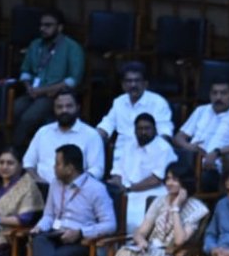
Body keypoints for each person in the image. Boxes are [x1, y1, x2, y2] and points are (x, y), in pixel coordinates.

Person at [107, 163, 209, 256]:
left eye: (174, 179)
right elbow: (141, 231)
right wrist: (141, 240)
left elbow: (180, 241)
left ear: (185, 182)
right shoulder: (159, 201)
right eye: (167, 179)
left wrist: (176, 208)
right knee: (124, 253)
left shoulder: (198, 209)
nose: (169, 183)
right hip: (150, 251)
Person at [28, 144, 115, 256]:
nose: (54, 168)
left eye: (57, 164)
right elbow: (49, 216)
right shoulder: (55, 184)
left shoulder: (96, 189)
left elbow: (110, 225)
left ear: (70, 168)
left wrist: (80, 232)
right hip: (56, 235)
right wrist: (39, 227)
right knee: (39, 240)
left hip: (82, 242)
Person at [12, 9, 85, 149]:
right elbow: (25, 71)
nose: (42, 29)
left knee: (29, 117)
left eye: (48, 25)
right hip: (32, 92)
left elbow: (73, 80)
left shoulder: (72, 47)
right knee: (12, 110)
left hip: (55, 95)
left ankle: (15, 151)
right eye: (41, 25)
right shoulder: (35, 44)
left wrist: (43, 91)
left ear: (60, 27)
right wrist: (28, 87)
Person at [173, 79, 229, 192]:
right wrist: (189, 147)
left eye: (223, 93)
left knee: (199, 178)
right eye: (214, 93)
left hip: (213, 168)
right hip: (189, 162)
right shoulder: (201, 110)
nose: (218, 97)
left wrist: (217, 152)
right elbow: (178, 137)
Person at [97, 61, 174, 162]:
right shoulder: (119, 102)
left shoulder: (158, 102)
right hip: (121, 158)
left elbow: (165, 134)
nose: (133, 85)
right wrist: (91, 138)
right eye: (129, 81)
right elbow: (105, 126)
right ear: (123, 85)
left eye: (137, 81)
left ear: (145, 83)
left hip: (148, 158)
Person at [22, 91, 104, 184]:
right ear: (54, 109)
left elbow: (97, 170)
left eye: (69, 106)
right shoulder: (43, 132)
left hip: (77, 191)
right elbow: (28, 163)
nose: (64, 110)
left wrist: (76, 185)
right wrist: (37, 180)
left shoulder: (91, 135)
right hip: (42, 189)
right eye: (59, 107)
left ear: (77, 107)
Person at [109, 112, 174, 231]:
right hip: (124, 190)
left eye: (147, 128)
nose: (143, 132)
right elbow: (117, 170)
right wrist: (118, 185)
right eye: (139, 129)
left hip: (151, 193)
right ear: (134, 130)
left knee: (135, 221)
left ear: (155, 130)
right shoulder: (128, 145)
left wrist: (129, 188)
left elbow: (156, 179)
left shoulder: (164, 148)